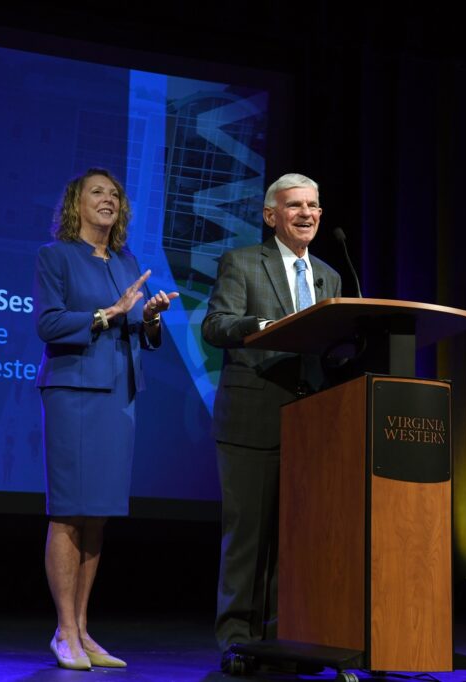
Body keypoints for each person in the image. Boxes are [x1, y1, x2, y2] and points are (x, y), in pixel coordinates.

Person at [33, 168, 178, 670]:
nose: (108, 199)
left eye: (115, 194)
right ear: (76, 203)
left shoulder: (125, 260)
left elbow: (137, 328)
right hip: (74, 393)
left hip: (119, 395)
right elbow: (49, 324)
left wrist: (151, 316)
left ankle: (82, 630)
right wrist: (106, 313)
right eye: (97, 192)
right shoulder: (57, 257)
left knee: (97, 515)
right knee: (70, 511)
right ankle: (64, 632)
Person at [201, 173, 342, 666]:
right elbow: (215, 325)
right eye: (295, 205)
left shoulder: (329, 276)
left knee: (295, 541)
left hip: (310, 427)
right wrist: (260, 328)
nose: (307, 214)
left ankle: (286, 642)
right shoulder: (242, 262)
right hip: (250, 420)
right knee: (248, 539)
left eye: (314, 206)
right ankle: (237, 641)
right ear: (270, 216)